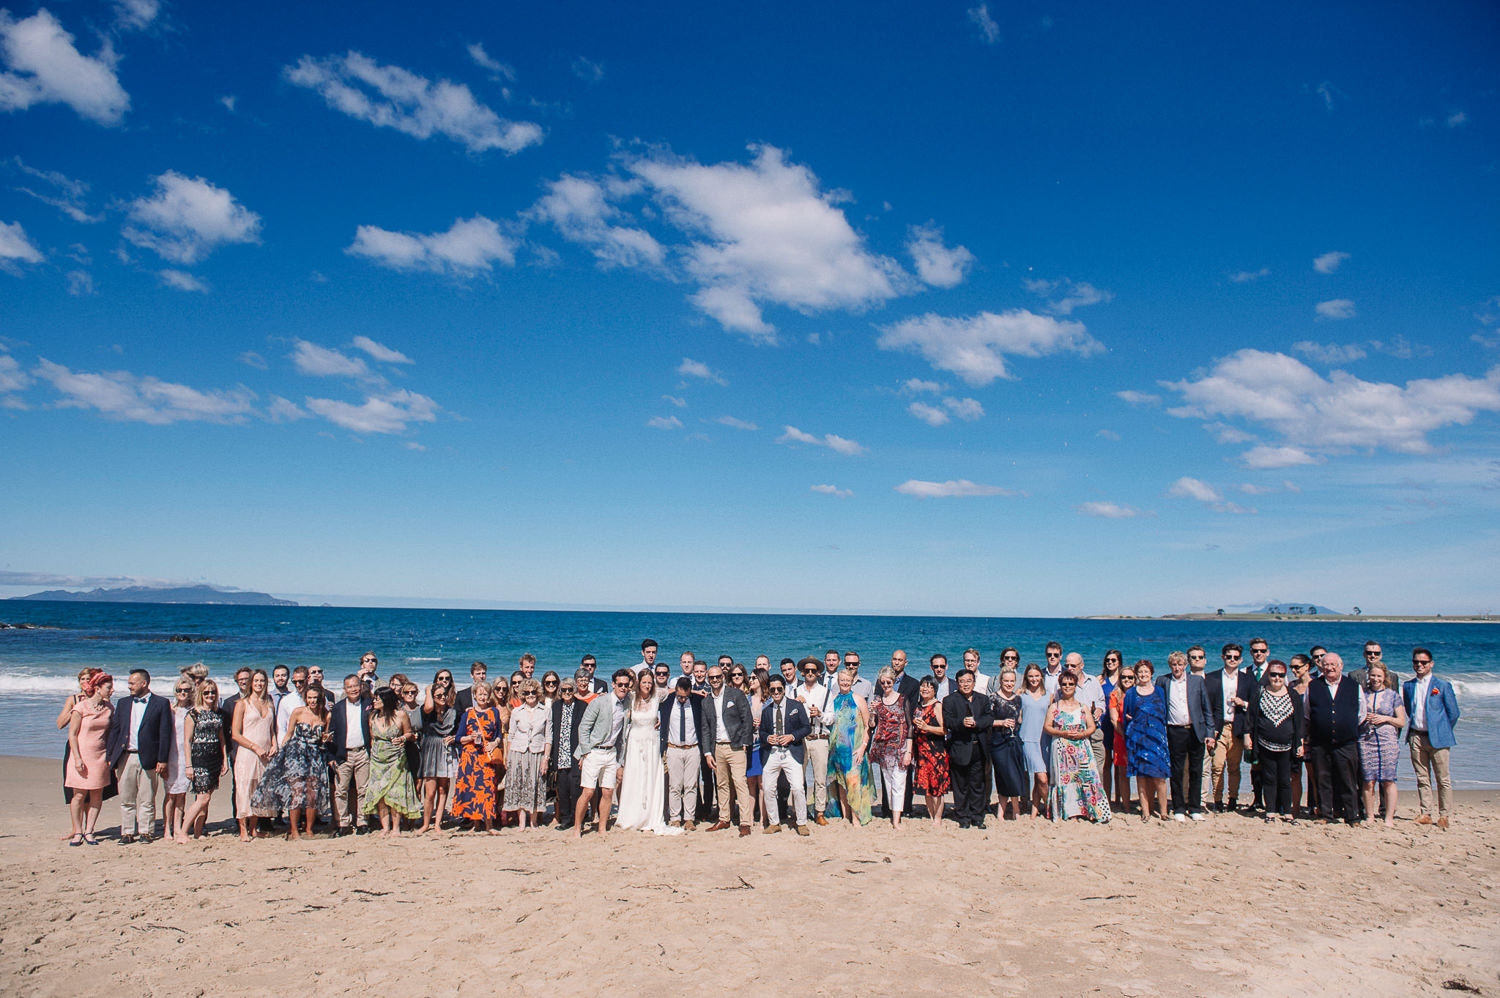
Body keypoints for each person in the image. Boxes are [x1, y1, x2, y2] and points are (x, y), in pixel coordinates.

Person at [252, 683, 333, 840]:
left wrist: (326, 739)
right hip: (296, 754)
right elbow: (288, 734)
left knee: (312, 793)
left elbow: (325, 737)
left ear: (320, 699)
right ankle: (294, 829)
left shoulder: (326, 715)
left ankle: (309, 829)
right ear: (305, 699)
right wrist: (282, 752)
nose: (312, 701)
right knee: (296, 792)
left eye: (315, 698)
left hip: (315, 755)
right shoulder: (298, 712)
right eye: (309, 698)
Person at [104, 668, 174, 844]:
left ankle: (146, 832)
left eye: (132, 683)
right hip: (125, 756)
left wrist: (162, 759)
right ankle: (127, 832)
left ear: (144, 683)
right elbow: (116, 730)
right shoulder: (123, 703)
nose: (129, 687)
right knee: (126, 797)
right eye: (129, 683)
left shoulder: (161, 703)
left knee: (147, 797)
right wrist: (111, 756)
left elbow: (165, 734)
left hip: (149, 757)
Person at [612, 669, 678, 835]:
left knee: (650, 778)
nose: (647, 685)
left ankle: (650, 816)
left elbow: (677, 690)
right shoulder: (631, 698)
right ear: (638, 683)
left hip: (651, 742)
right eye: (644, 682)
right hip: (634, 742)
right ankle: (632, 816)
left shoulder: (658, 696)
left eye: (650, 682)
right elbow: (618, 692)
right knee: (634, 777)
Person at [572, 670, 634, 839]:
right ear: (613, 684)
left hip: (611, 753)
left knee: (607, 792)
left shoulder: (628, 701)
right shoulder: (600, 702)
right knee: (588, 792)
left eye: (626, 685)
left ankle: (602, 828)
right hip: (594, 751)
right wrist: (585, 753)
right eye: (619, 684)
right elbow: (583, 727)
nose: (623, 687)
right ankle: (577, 828)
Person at [1403, 647, 1460, 829]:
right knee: (1422, 777)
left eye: (1423, 662)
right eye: (1416, 662)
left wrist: (1441, 730)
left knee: (1442, 779)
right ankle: (1426, 812)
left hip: (1439, 739)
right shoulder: (1408, 686)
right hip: (1416, 736)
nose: (1419, 665)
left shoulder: (1442, 686)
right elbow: (1408, 708)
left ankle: (1444, 815)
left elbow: (1453, 713)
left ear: (1431, 664)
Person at [1045, 670, 1111, 823]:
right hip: (1062, 747)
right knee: (1067, 781)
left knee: (1087, 777)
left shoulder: (1083, 707)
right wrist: (1062, 733)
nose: (1067, 687)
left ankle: (1091, 810)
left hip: (1081, 747)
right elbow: (1047, 727)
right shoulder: (1054, 706)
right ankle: (1070, 812)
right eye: (1064, 684)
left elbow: (1092, 726)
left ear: (1075, 686)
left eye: (1071, 684)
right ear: (1060, 686)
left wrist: (1082, 735)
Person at [1306, 652, 1363, 824]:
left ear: (1341, 666)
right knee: (1323, 779)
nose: (1329, 668)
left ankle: (1352, 816)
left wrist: (1344, 727)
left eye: (1333, 665)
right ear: (1321, 667)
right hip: (1320, 742)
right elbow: (1307, 712)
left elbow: (1361, 714)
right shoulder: (1313, 686)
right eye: (1326, 665)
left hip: (1346, 742)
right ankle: (1325, 815)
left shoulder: (1353, 686)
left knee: (1348, 780)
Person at [1245, 660, 1303, 823]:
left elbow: (1298, 721)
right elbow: (1250, 718)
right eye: (1273, 674)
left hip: (1287, 746)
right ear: (1268, 676)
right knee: (1268, 778)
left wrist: (1300, 742)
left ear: (1285, 676)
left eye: (1281, 675)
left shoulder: (1293, 695)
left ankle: (1287, 812)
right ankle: (1270, 811)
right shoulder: (1260, 694)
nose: (1277, 678)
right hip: (1264, 744)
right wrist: (1247, 737)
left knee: (1286, 779)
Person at [702, 663, 755, 836]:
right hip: (717, 747)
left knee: (740, 783)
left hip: (736, 746)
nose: (715, 680)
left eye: (718, 677)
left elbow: (747, 719)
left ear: (723, 677)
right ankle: (724, 819)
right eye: (712, 678)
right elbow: (705, 728)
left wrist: (745, 742)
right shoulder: (706, 701)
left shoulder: (736, 695)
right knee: (722, 784)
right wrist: (708, 753)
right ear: (708, 680)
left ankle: (745, 822)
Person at [1162, 649, 1214, 821]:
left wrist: (1210, 733)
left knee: (1196, 770)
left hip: (1195, 730)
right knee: (1176, 771)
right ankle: (1178, 808)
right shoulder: (1163, 681)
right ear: (1170, 665)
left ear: (1185, 665)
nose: (1177, 667)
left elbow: (1206, 709)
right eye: (1174, 665)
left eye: (1180, 664)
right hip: (1174, 730)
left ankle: (1195, 808)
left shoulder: (1197, 681)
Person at [757, 674, 812, 835]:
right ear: (769, 690)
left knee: (797, 787)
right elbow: (761, 732)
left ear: (784, 689)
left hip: (791, 752)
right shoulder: (766, 710)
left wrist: (792, 736)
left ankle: (801, 822)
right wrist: (768, 737)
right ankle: (774, 823)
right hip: (772, 753)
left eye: (779, 689)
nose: (776, 692)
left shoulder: (796, 706)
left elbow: (806, 728)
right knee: (768, 789)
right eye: (772, 689)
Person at [363, 687, 421, 836]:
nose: (374, 701)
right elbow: (372, 738)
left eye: (378, 698)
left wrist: (402, 738)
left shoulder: (401, 715)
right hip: (378, 760)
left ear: (386, 700)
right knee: (380, 794)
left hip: (396, 759)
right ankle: (385, 827)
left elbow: (409, 733)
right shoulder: (373, 717)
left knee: (395, 793)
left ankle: (396, 827)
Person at [64, 671, 113, 845]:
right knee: (78, 795)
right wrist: (77, 758)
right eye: (108, 687)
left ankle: (89, 830)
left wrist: (110, 755)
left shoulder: (109, 708)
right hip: (81, 755)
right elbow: (72, 734)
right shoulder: (80, 707)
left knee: (96, 794)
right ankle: (77, 831)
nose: (111, 690)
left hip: (100, 756)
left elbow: (110, 734)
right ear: (98, 688)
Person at [1207, 643, 1256, 812]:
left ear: (1241, 660)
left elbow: (1255, 705)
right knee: (1217, 765)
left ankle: (1233, 799)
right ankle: (1217, 800)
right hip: (1219, 728)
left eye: (1236, 657)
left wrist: (1243, 703)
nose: (1232, 660)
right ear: (1223, 658)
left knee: (1234, 766)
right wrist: (1210, 728)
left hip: (1238, 727)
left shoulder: (1247, 679)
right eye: (1229, 657)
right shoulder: (1212, 678)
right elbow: (1207, 706)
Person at [942, 669, 992, 829]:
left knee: (978, 784)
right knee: (960, 785)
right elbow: (948, 721)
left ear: (974, 682)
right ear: (957, 683)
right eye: (962, 681)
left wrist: (976, 722)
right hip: (959, 747)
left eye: (969, 681)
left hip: (979, 748)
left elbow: (989, 718)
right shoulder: (949, 700)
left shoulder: (983, 699)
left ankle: (977, 816)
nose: (965, 684)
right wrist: (961, 723)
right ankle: (963, 817)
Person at [180, 681, 230, 841]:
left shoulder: (219, 713)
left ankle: (198, 831)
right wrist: (189, 765)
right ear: (201, 694)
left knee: (207, 798)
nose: (210, 695)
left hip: (214, 759)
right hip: (199, 759)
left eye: (213, 692)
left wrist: (225, 760)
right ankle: (182, 833)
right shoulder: (193, 714)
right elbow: (187, 741)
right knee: (203, 797)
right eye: (206, 693)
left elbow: (222, 739)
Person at [451, 680, 503, 834]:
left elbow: (499, 734)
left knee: (487, 789)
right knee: (472, 790)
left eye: (485, 694)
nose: (482, 696)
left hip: (486, 756)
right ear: (474, 696)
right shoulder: (468, 714)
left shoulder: (494, 712)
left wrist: (494, 744)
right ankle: (475, 825)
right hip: (470, 757)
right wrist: (470, 737)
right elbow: (458, 738)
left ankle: (489, 825)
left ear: (489, 696)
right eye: (479, 694)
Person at [1358, 662, 1406, 827]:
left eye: (1379, 676)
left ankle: (1389, 818)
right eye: (1373, 675)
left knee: (1388, 779)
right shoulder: (1362, 694)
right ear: (1368, 676)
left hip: (1387, 740)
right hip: (1366, 739)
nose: (1375, 679)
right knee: (1368, 779)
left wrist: (1385, 718)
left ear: (1384, 677)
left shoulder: (1393, 696)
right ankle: (1370, 816)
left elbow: (1401, 722)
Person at [231, 668, 276, 841]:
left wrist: (274, 744)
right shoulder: (242, 704)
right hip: (247, 753)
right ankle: (243, 830)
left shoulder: (268, 702)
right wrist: (254, 747)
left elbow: (271, 729)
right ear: (251, 683)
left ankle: (253, 828)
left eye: (262, 681)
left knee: (260, 791)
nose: (259, 684)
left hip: (265, 755)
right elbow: (235, 734)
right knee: (244, 790)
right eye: (256, 681)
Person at [1122, 660, 1170, 821]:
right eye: (1140, 672)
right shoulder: (1131, 693)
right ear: (1136, 674)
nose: (1143, 675)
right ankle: (1146, 812)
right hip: (1138, 739)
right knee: (1141, 777)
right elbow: (1127, 716)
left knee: (1160, 777)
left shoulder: (1159, 691)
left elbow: (1165, 713)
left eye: (1146, 672)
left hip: (1157, 739)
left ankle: (1163, 812)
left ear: (1151, 673)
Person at [827, 667, 873, 827]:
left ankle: (856, 818)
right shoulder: (833, 699)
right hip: (837, 750)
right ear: (838, 682)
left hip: (854, 749)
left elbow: (868, 726)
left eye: (847, 680)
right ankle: (845, 816)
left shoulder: (859, 699)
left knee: (854, 784)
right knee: (841, 784)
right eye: (842, 680)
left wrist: (863, 748)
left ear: (852, 681)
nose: (845, 683)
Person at [869, 667, 912, 829]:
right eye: (883, 682)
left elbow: (910, 726)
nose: (886, 685)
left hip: (900, 748)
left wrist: (908, 751)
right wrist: (872, 711)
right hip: (883, 749)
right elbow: (872, 725)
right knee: (888, 784)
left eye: (889, 682)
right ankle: (894, 815)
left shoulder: (902, 699)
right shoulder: (878, 700)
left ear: (894, 682)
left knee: (899, 783)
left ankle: (896, 820)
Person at [660, 677, 706, 829]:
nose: (682, 699)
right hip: (673, 748)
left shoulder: (697, 701)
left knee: (691, 785)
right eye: (680, 696)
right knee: (674, 784)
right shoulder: (667, 701)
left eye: (685, 696)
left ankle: (689, 818)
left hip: (692, 748)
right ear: (676, 690)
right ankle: (674, 817)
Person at [329, 675, 372, 835]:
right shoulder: (338, 708)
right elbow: (331, 733)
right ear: (344, 689)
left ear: (360, 687)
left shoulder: (368, 704)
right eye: (349, 687)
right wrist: (331, 757)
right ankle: (343, 824)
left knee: (363, 789)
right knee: (341, 790)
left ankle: (362, 822)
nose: (353, 689)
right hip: (343, 754)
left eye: (355, 686)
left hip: (362, 752)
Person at [503, 679, 549, 829]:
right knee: (520, 785)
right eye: (527, 693)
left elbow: (549, 737)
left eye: (533, 692)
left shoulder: (545, 711)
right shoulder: (517, 711)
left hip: (537, 752)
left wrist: (546, 759)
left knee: (535, 785)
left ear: (538, 693)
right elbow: (511, 735)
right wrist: (508, 757)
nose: (530, 695)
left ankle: (533, 821)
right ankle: (522, 822)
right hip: (518, 752)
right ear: (522, 694)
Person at [794, 657, 835, 824]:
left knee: (820, 778)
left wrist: (819, 714)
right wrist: (796, 705)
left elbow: (832, 718)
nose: (810, 673)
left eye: (813, 670)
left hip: (819, 738)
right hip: (802, 740)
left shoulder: (825, 692)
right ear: (802, 672)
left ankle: (819, 812)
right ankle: (799, 812)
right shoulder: (796, 691)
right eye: (807, 670)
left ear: (818, 672)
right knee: (798, 779)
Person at [545, 675, 587, 829]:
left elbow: (585, 731)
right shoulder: (556, 707)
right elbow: (551, 730)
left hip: (575, 753)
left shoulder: (582, 706)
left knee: (576, 787)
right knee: (562, 789)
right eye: (564, 690)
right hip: (560, 753)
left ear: (574, 690)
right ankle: (566, 819)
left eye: (570, 689)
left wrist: (583, 754)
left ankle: (578, 819)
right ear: (560, 691)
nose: (567, 692)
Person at [418, 676, 460, 833]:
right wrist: (429, 690)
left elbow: (459, 730)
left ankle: (437, 824)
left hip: (446, 750)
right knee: (430, 791)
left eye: (444, 695)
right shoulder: (426, 711)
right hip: (430, 750)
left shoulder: (452, 712)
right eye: (439, 696)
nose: (443, 698)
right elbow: (428, 707)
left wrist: (454, 737)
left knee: (443, 790)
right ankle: (425, 824)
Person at [988, 667, 1028, 821]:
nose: (1009, 684)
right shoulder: (993, 698)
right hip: (998, 742)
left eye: (1012, 681)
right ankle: (1007, 810)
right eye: (1006, 681)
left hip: (1014, 741)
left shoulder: (1018, 699)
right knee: (1004, 775)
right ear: (1000, 681)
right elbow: (986, 721)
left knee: (1016, 775)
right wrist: (1001, 722)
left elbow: (1019, 719)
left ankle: (1012, 810)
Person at [911, 676, 949, 827]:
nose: (925, 689)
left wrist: (927, 728)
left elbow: (945, 729)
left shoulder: (937, 706)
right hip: (921, 752)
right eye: (923, 686)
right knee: (925, 787)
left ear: (934, 690)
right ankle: (931, 815)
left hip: (936, 752)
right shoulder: (918, 706)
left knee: (936, 788)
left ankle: (938, 818)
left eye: (929, 687)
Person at [163, 677, 193, 844]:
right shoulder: (169, 709)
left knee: (181, 794)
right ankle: (167, 828)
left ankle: (178, 827)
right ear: (175, 691)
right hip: (170, 755)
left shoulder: (193, 710)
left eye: (186, 690)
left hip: (185, 756)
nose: (183, 693)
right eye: (180, 690)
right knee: (170, 794)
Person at [1018, 664, 1050, 818]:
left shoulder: (1048, 695)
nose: (1034, 679)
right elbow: (1018, 717)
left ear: (1041, 677)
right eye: (1031, 676)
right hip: (1028, 739)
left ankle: (1035, 809)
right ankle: (1050, 806)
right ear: (1026, 678)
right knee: (1041, 777)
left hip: (1045, 740)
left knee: (1040, 779)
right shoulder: (1021, 694)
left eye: (1037, 675)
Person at [1288, 654, 1317, 818]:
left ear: (1307, 666)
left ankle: (1318, 807)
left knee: (1314, 773)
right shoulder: (1291, 686)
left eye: (1297, 667)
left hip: (1312, 735)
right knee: (1294, 774)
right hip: (1294, 735)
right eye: (1291, 667)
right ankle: (1295, 809)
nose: (1293, 670)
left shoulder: (1316, 685)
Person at [1107, 663, 1135, 811]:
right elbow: (1113, 719)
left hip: (1139, 738)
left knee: (1143, 772)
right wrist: (1125, 736)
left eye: (1130, 677)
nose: (1127, 679)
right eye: (1123, 677)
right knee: (1123, 773)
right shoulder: (1115, 694)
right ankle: (1126, 805)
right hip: (1121, 737)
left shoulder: (1139, 692)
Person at [1099, 649, 1123, 804]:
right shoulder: (1101, 680)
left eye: (1113, 660)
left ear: (1119, 662)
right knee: (1106, 765)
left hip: (1120, 724)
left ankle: (1119, 798)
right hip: (1105, 725)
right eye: (1108, 660)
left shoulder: (1125, 678)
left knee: (1120, 765)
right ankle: (1106, 798)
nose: (1110, 663)